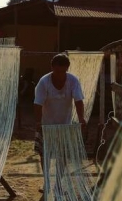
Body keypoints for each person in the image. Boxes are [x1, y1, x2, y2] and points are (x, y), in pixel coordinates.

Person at [33, 53, 86, 191]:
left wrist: (81, 118)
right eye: (57, 71)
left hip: (65, 124)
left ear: (67, 68)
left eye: (63, 71)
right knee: (45, 154)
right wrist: (38, 123)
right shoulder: (44, 82)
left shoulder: (73, 81)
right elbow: (37, 104)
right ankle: (47, 183)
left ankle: (58, 183)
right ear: (52, 67)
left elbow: (78, 100)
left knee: (62, 155)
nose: (60, 75)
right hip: (47, 125)